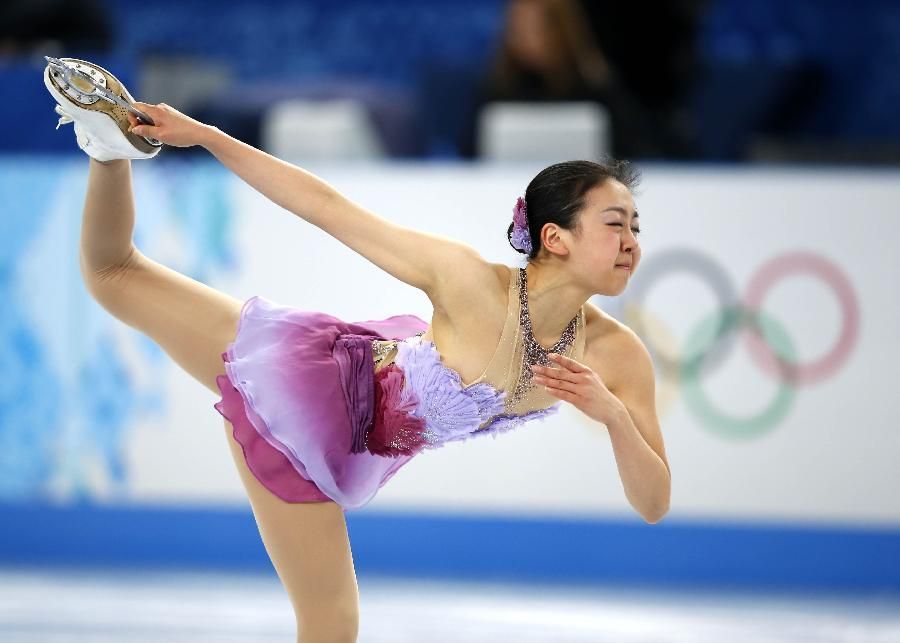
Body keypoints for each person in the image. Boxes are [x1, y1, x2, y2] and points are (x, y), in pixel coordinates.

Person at [44, 57, 671, 643]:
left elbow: (653, 503)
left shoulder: (617, 356)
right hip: (308, 396)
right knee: (114, 274)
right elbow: (325, 207)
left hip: (362, 429)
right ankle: (108, 150)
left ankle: (105, 151)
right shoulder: (466, 281)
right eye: (616, 224)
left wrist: (612, 415)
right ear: (556, 237)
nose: (631, 242)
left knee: (331, 630)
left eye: (636, 228)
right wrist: (207, 135)